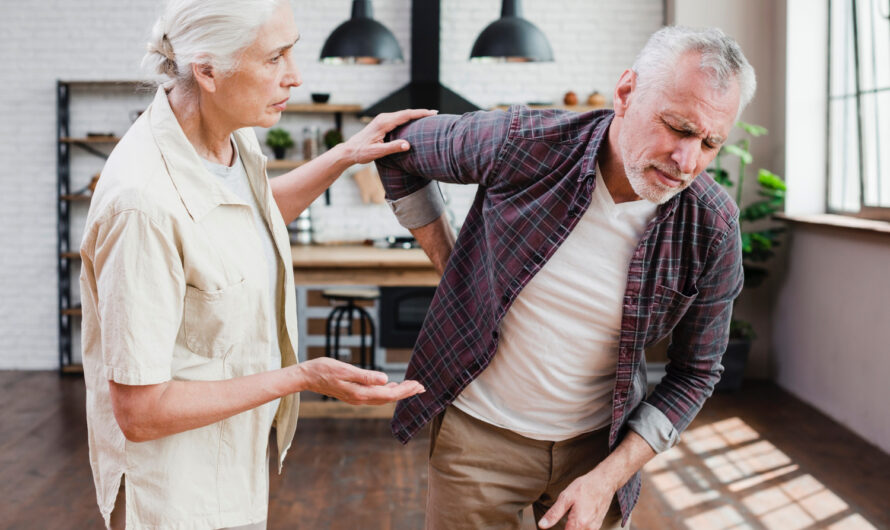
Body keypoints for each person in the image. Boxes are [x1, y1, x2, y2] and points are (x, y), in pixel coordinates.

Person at [375, 26, 756, 530]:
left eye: (710, 143)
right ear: (626, 94)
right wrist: (451, 266)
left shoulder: (713, 225)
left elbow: (696, 373)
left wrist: (607, 479)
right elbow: (396, 146)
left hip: (598, 452)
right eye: (678, 128)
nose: (688, 162)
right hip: (478, 439)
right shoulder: (524, 142)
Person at [79, 1, 432, 528]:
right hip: (175, 495)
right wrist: (302, 376)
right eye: (275, 58)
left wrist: (342, 155)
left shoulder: (227, 137)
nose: (295, 76)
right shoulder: (141, 206)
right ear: (208, 71)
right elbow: (141, 412)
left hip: (233, 466)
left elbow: (251, 214)